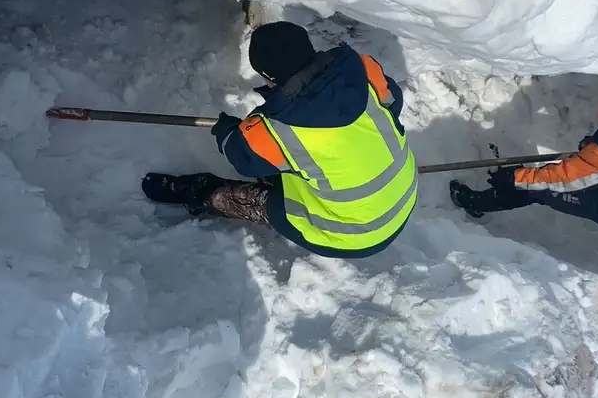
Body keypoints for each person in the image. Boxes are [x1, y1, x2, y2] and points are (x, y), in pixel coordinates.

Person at [141, 21, 418, 258]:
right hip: (403, 195)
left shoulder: (280, 129)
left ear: (270, 79)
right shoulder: (364, 71)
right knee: (302, 161)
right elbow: (393, 99)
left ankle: (205, 194)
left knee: (274, 203)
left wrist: (227, 129)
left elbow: (240, 154)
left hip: (356, 234)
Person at [450, 84, 598, 231]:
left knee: (539, 189)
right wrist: (592, 151)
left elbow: (561, 179)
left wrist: (515, 178)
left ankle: (475, 204)